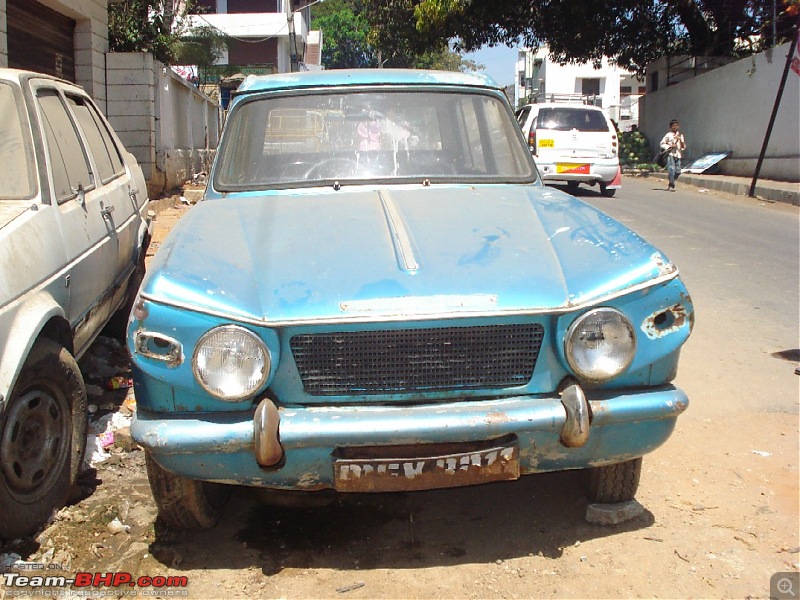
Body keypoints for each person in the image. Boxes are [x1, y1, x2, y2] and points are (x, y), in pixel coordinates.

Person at [660, 119, 686, 191]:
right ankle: (671, 185)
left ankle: (671, 180)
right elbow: (662, 143)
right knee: (671, 169)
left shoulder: (680, 135)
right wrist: (669, 146)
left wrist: (680, 140)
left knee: (678, 171)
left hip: (678, 155)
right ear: (671, 127)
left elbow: (683, 146)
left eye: (676, 125)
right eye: (673, 126)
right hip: (671, 154)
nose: (675, 127)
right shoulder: (668, 135)